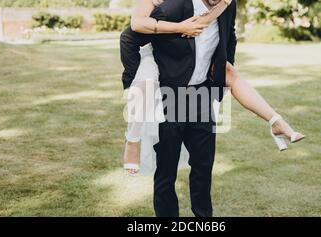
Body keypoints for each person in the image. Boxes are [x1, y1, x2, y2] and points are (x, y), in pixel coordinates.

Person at [120, 0, 305, 217]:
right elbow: (129, 37)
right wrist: (136, 86)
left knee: (203, 168)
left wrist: (221, 68)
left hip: (201, 96)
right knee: (165, 174)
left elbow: (230, 37)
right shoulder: (175, 7)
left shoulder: (227, 5)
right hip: (169, 97)